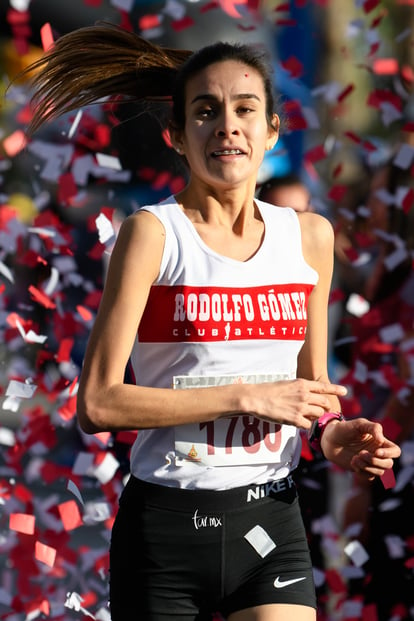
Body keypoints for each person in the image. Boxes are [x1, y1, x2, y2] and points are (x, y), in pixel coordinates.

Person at [18, 22, 401, 621]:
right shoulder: (152, 234)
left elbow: (312, 393)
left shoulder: (309, 238)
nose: (227, 124)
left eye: (246, 108)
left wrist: (331, 434)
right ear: (176, 135)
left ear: (272, 129)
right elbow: (97, 404)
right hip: (167, 531)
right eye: (206, 110)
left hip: (270, 524)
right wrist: (247, 396)